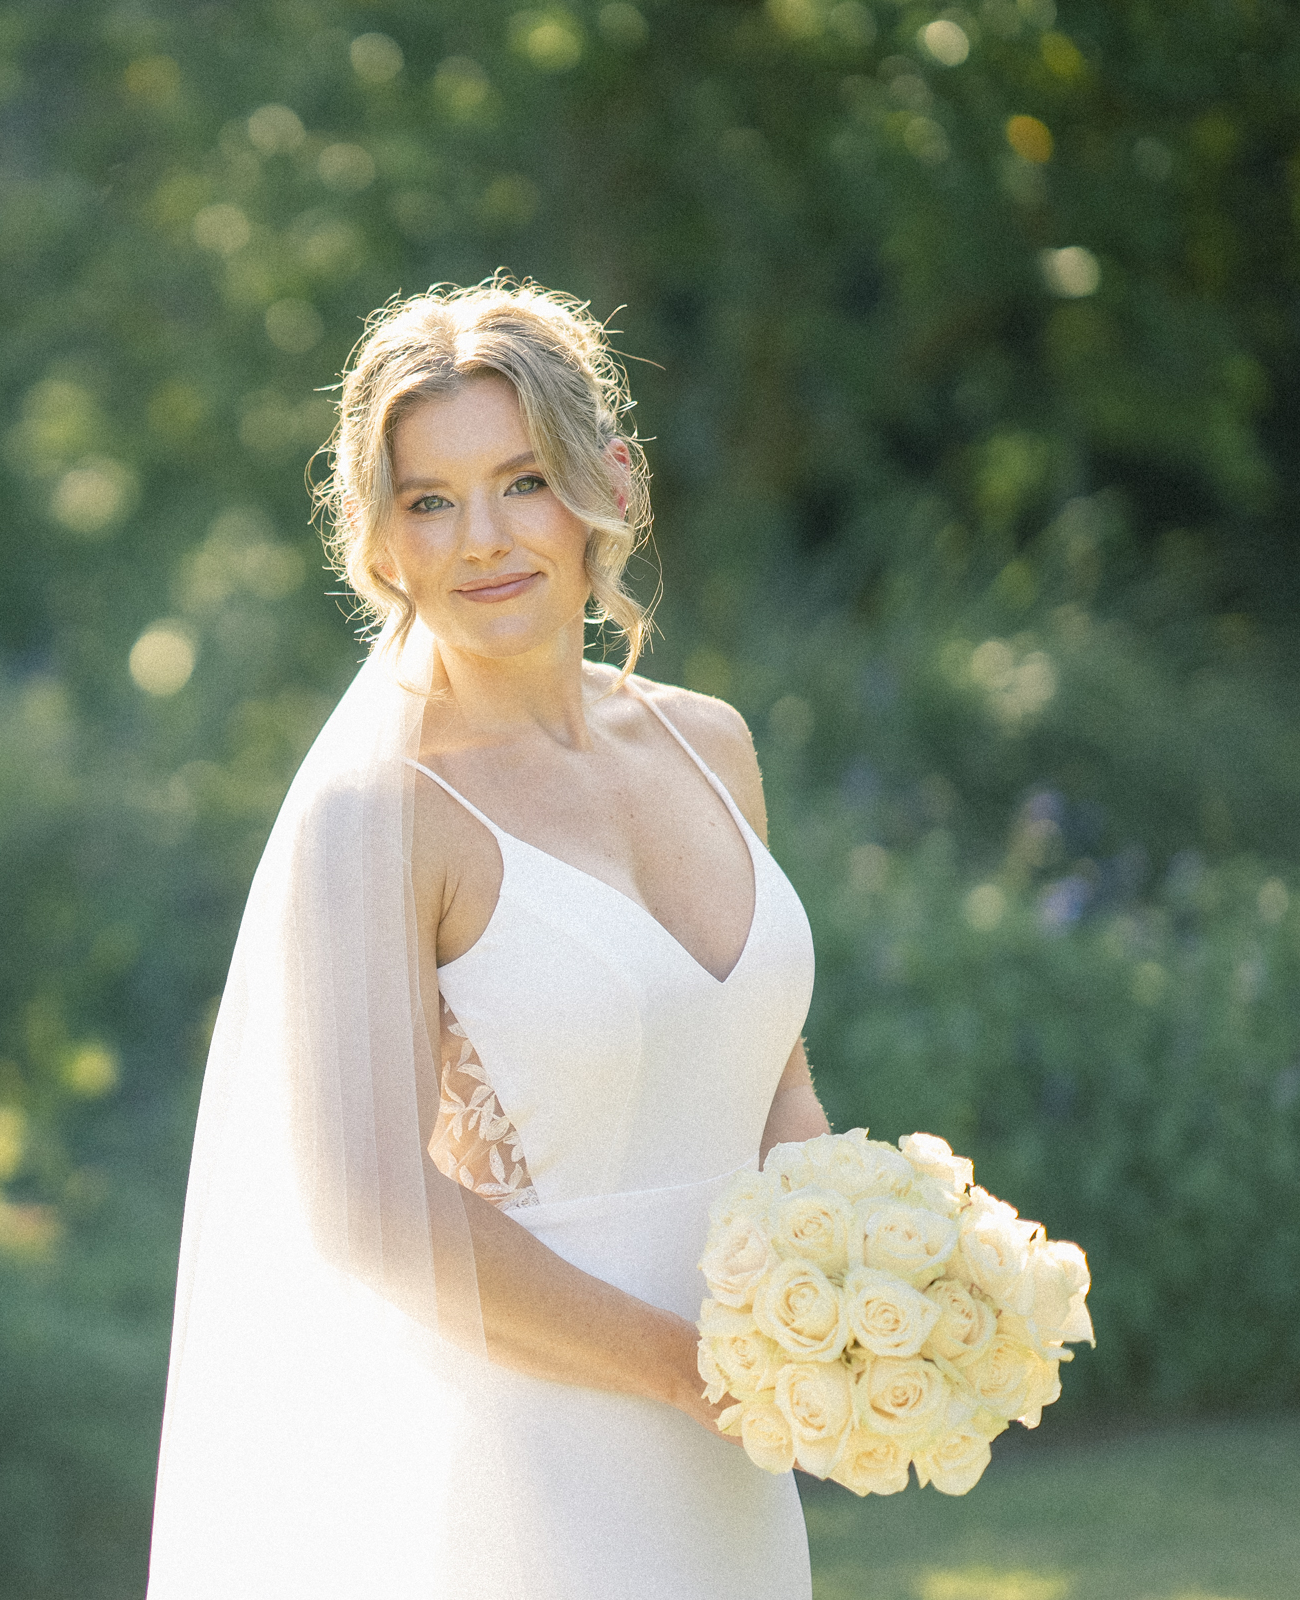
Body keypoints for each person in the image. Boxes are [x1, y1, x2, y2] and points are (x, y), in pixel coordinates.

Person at [146, 279, 828, 1598]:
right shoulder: (383, 816)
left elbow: (774, 1083)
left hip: (741, 1462)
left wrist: (868, 1294)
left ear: (608, 485)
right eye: (429, 500)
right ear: (381, 542)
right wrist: (697, 1380)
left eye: (522, 480)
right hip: (536, 1477)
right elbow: (374, 1217)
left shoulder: (713, 744)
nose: (483, 539)